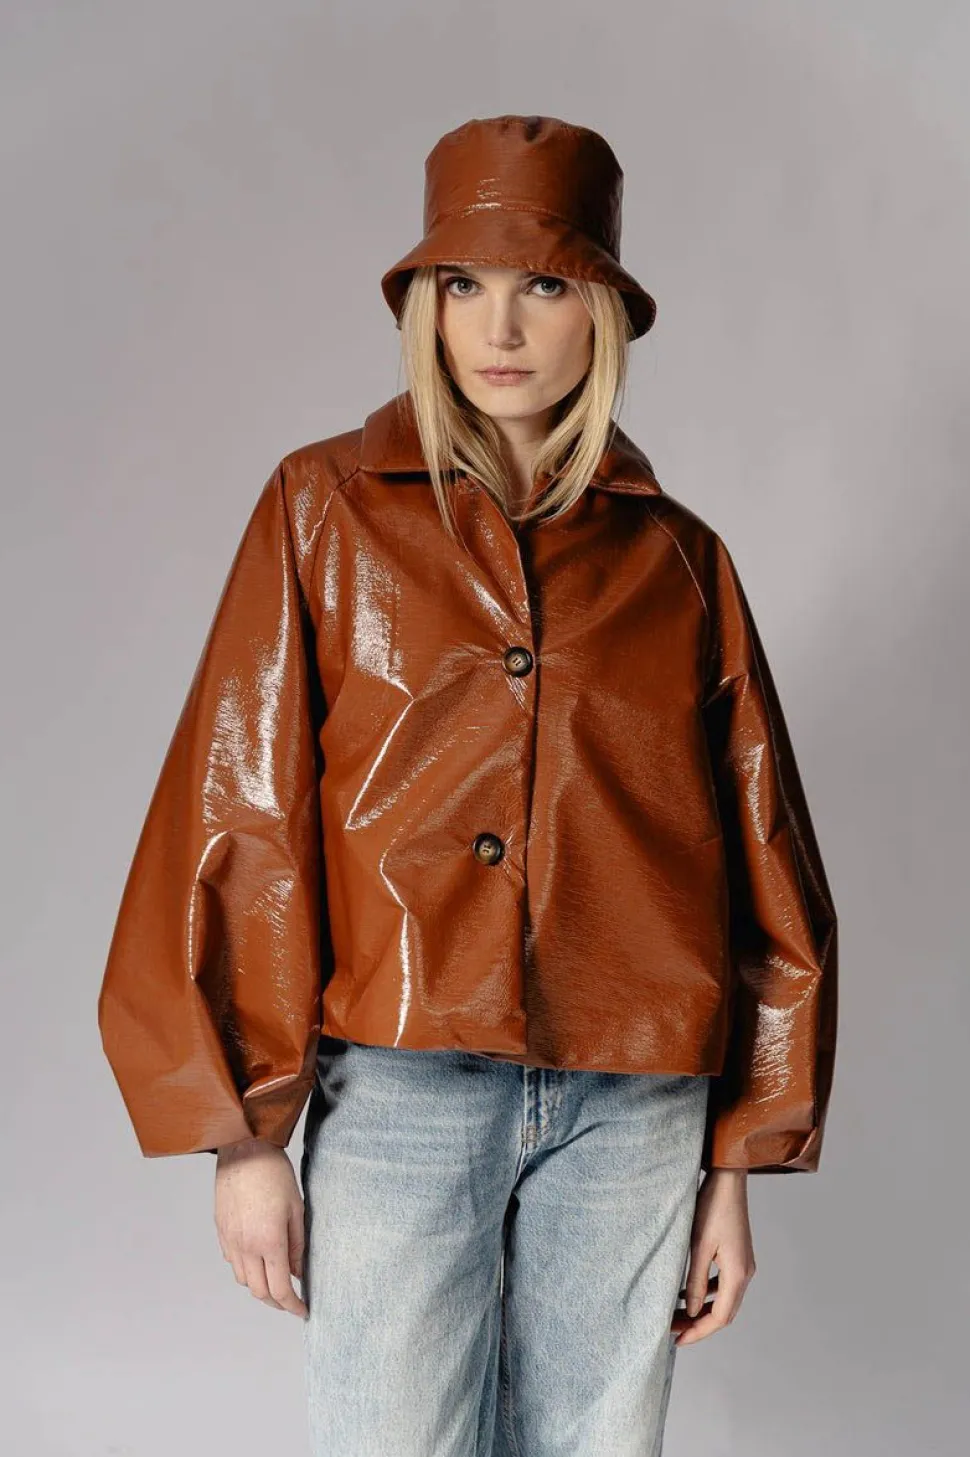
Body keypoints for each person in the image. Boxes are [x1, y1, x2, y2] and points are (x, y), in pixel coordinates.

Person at [98, 114, 838, 1456]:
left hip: (635, 1107)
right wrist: (245, 1138)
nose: (499, 327)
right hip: (401, 1089)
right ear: (421, 306)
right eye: (461, 283)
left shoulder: (678, 563)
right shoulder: (323, 510)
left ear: (600, 310)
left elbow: (761, 860)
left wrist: (735, 1162)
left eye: (543, 284)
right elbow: (240, 812)